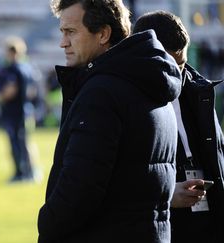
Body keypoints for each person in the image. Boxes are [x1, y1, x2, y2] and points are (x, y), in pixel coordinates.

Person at [38, 1, 182, 242]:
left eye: (71, 32)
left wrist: (47, 222)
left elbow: (79, 192)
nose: (63, 42)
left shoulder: (102, 93)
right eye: (62, 32)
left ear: (103, 34)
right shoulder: (151, 81)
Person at [133, 10, 224, 243]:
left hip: (206, 218)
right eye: (169, 65)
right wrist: (167, 194)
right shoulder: (125, 100)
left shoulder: (198, 90)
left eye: (181, 64)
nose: (176, 73)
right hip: (160, 224)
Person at [0, 36, 41, 183]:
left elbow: (10, 90)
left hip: (15, 113)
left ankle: (21, 173)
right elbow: (32, 91)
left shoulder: (13, 69)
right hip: (25, 110)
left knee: (17, 143)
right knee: (26, 142)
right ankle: (31, 172)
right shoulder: (27, 68)